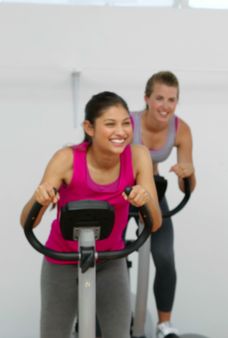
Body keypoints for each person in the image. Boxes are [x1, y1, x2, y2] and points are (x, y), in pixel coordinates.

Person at [20, 91, 162, 338]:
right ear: (90, 127)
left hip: (110, 259)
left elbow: (156, 223)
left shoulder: (139, 156)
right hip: (62, 260)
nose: (121, 132)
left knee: (118, 334)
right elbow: (27, 221)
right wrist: (39, 199)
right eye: (110, 124)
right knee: (53, 334)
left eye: (126, 123)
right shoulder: (66, 159)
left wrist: (145, 201)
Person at [130, 70, 196, 338]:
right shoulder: (128, 123)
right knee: (110, 256)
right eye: (159, 98)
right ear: (147, 98)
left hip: (152, 189)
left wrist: (187, 172)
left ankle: (163, 325)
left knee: (165, 257)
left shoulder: (181, 129)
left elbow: (187, 186)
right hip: (119, 191)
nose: (165, 106)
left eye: (171, 99)